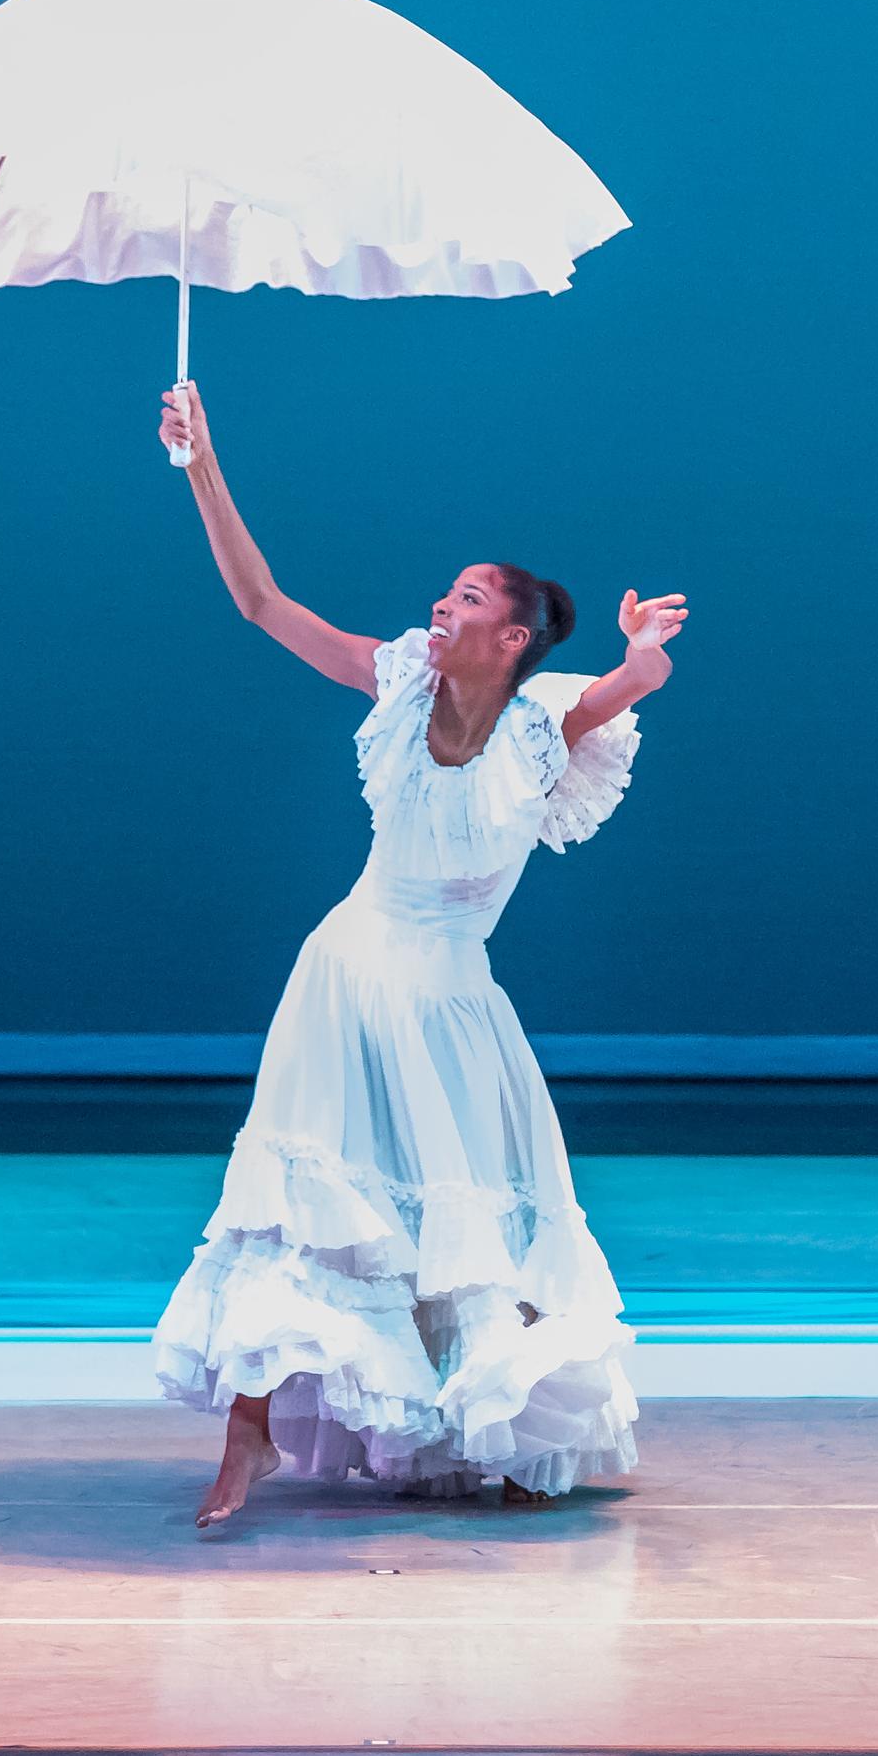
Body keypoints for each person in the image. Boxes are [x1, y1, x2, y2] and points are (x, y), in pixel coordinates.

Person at [148, 381, 684, 1528]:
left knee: (466, 1226)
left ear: (516, 637)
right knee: (299, 1206)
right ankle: (248, 1441)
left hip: (450, 1000)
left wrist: (639, 648)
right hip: (347, 975)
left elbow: (637, 684)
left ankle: (482, 1423)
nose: (442, 604)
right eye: (446, 591)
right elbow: (260, 602)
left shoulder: (543, 726)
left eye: (470, 597)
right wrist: (202, 460)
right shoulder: (395, 682)